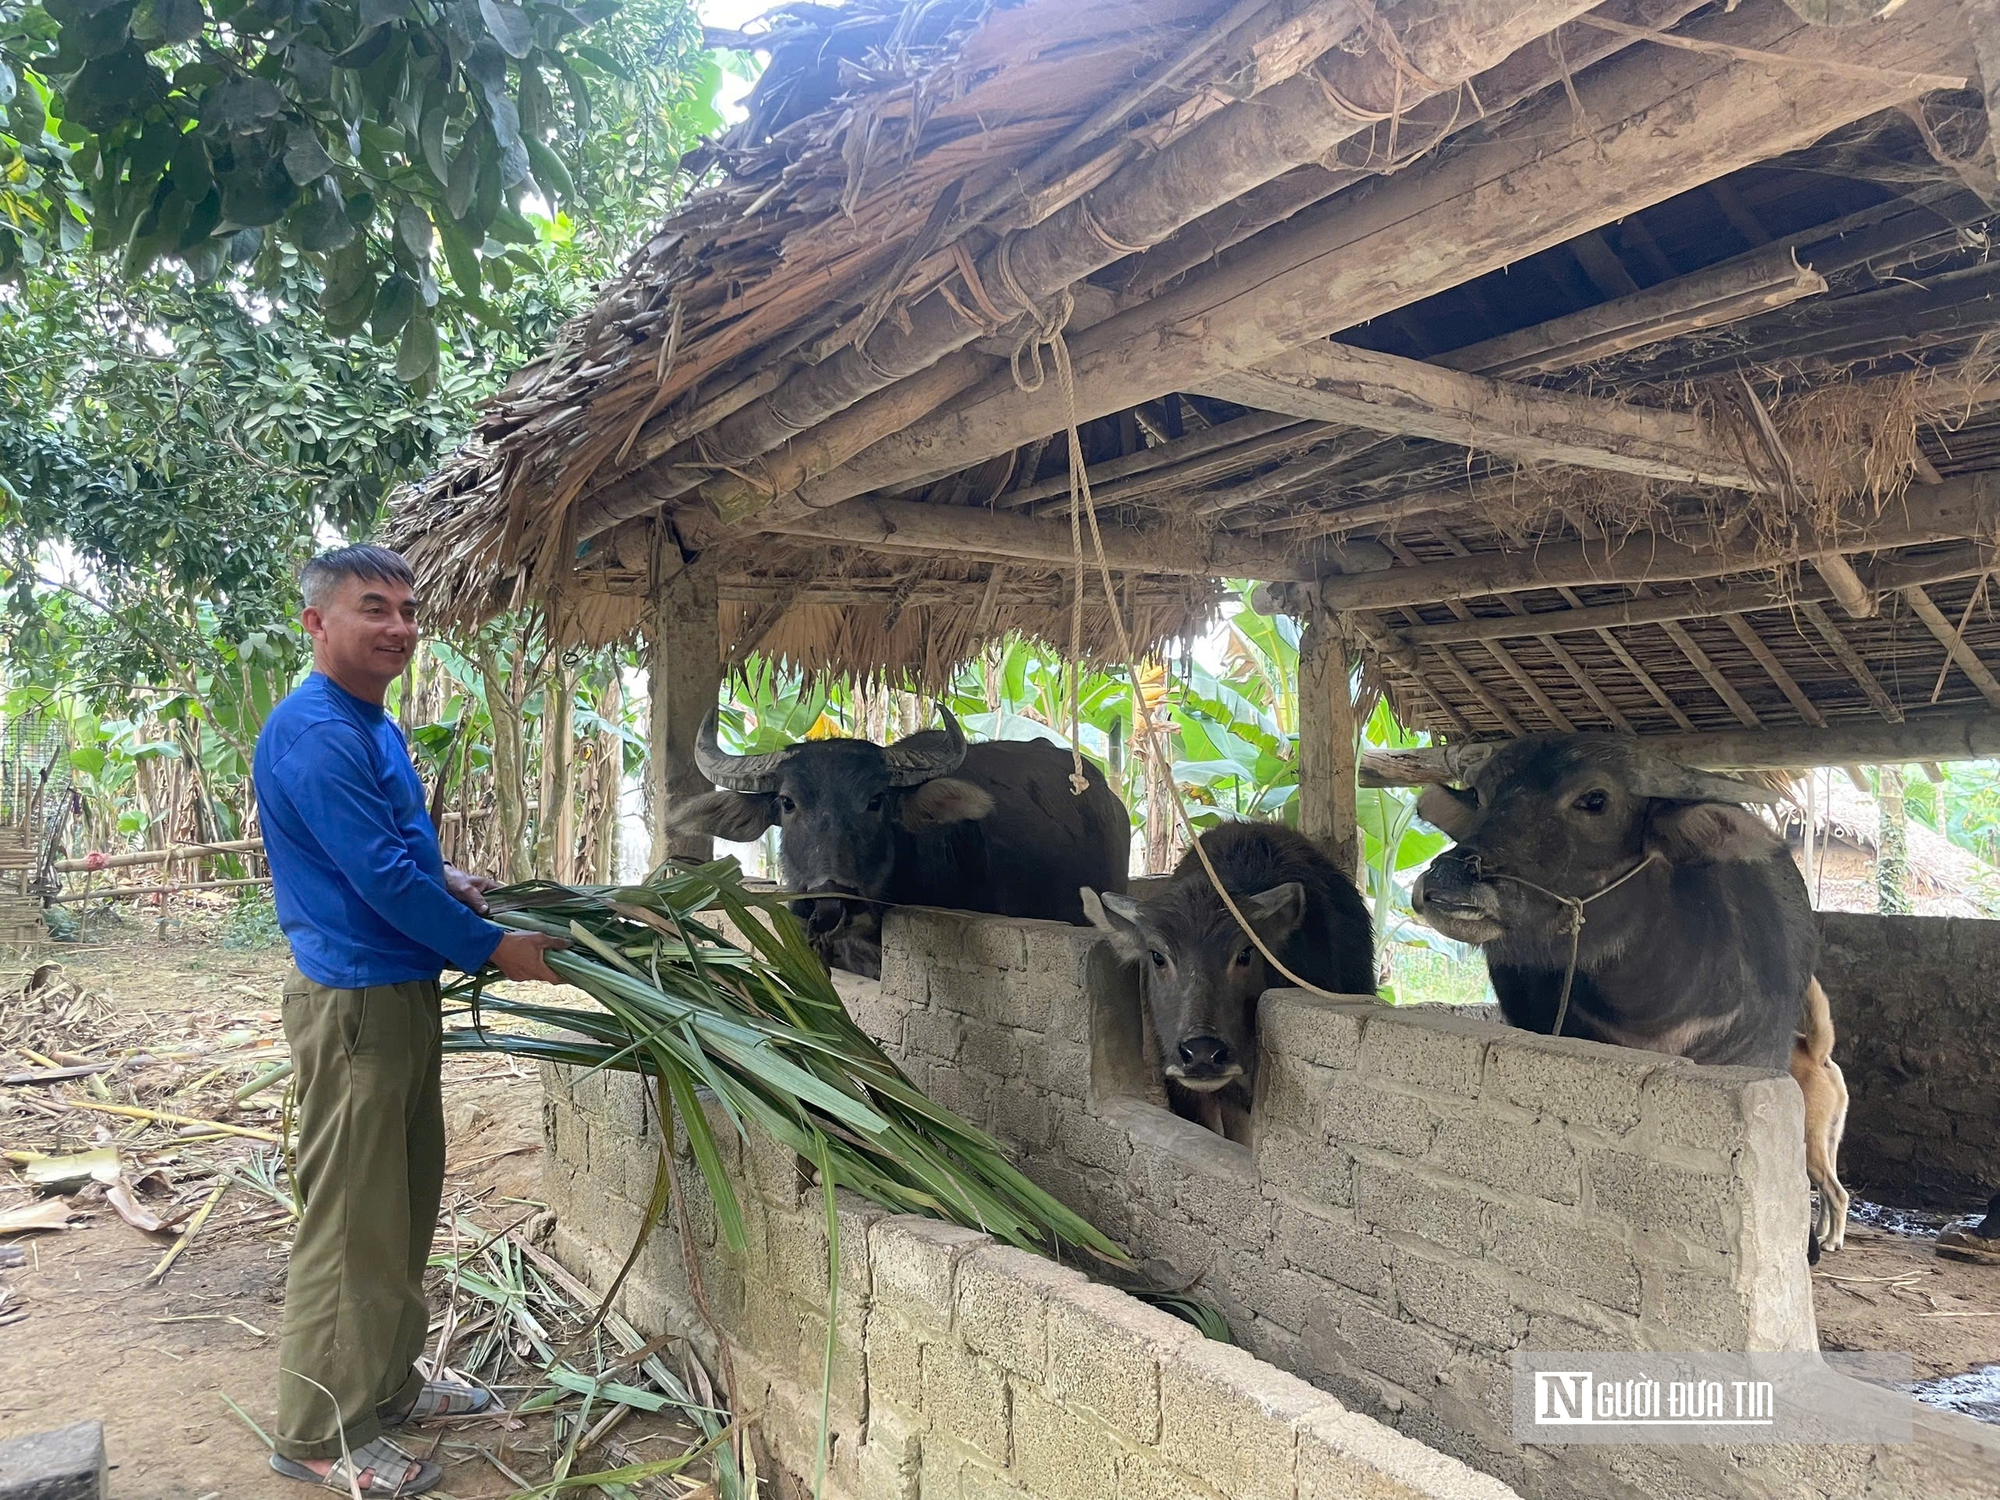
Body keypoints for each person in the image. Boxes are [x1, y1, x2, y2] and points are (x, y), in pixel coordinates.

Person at [253, 544, 567, 1495]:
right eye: (373, 608)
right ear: (317, 623)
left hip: (397, 992)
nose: (399, 627)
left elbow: (395, 851)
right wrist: (495, 948)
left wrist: (452, 877)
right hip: (356, 1003)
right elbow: (381, 879)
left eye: (407, 609)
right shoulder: (316, 732)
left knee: (400, 1206)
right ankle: (319, 1432)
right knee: (353, 1223)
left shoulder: (370, 722)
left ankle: (387, 1386)